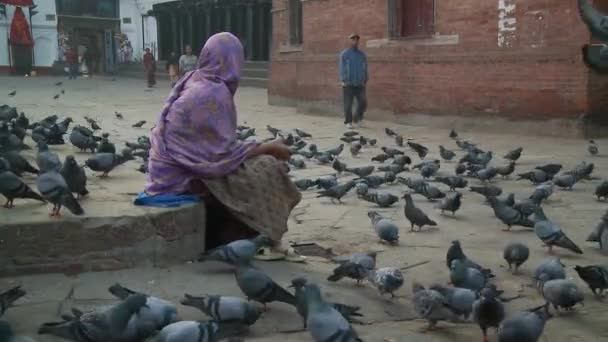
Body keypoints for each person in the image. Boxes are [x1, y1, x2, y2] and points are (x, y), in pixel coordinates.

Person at [146, 32, 303, 261]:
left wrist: (258, 148)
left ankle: (249, 234)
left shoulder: (194, 77)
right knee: (269, 168)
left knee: (254, 163)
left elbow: (216, 149)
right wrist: (269, 147)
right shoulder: (214, 92)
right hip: (182, 177)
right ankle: (259, 235)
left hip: (165, 171)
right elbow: (220, 158)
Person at [339, 33, 368, 129]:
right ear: (349, 41)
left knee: (363, 102)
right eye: (353, 39)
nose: (355, 41)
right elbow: (341, 68)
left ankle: (358, 119)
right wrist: (343, 79)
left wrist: (365, 78)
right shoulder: (345, 54)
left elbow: (365, 67)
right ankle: (348, 121)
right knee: (348, 104)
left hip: (359, 83)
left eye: (356, 40)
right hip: (348, 83)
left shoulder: (361, 54)